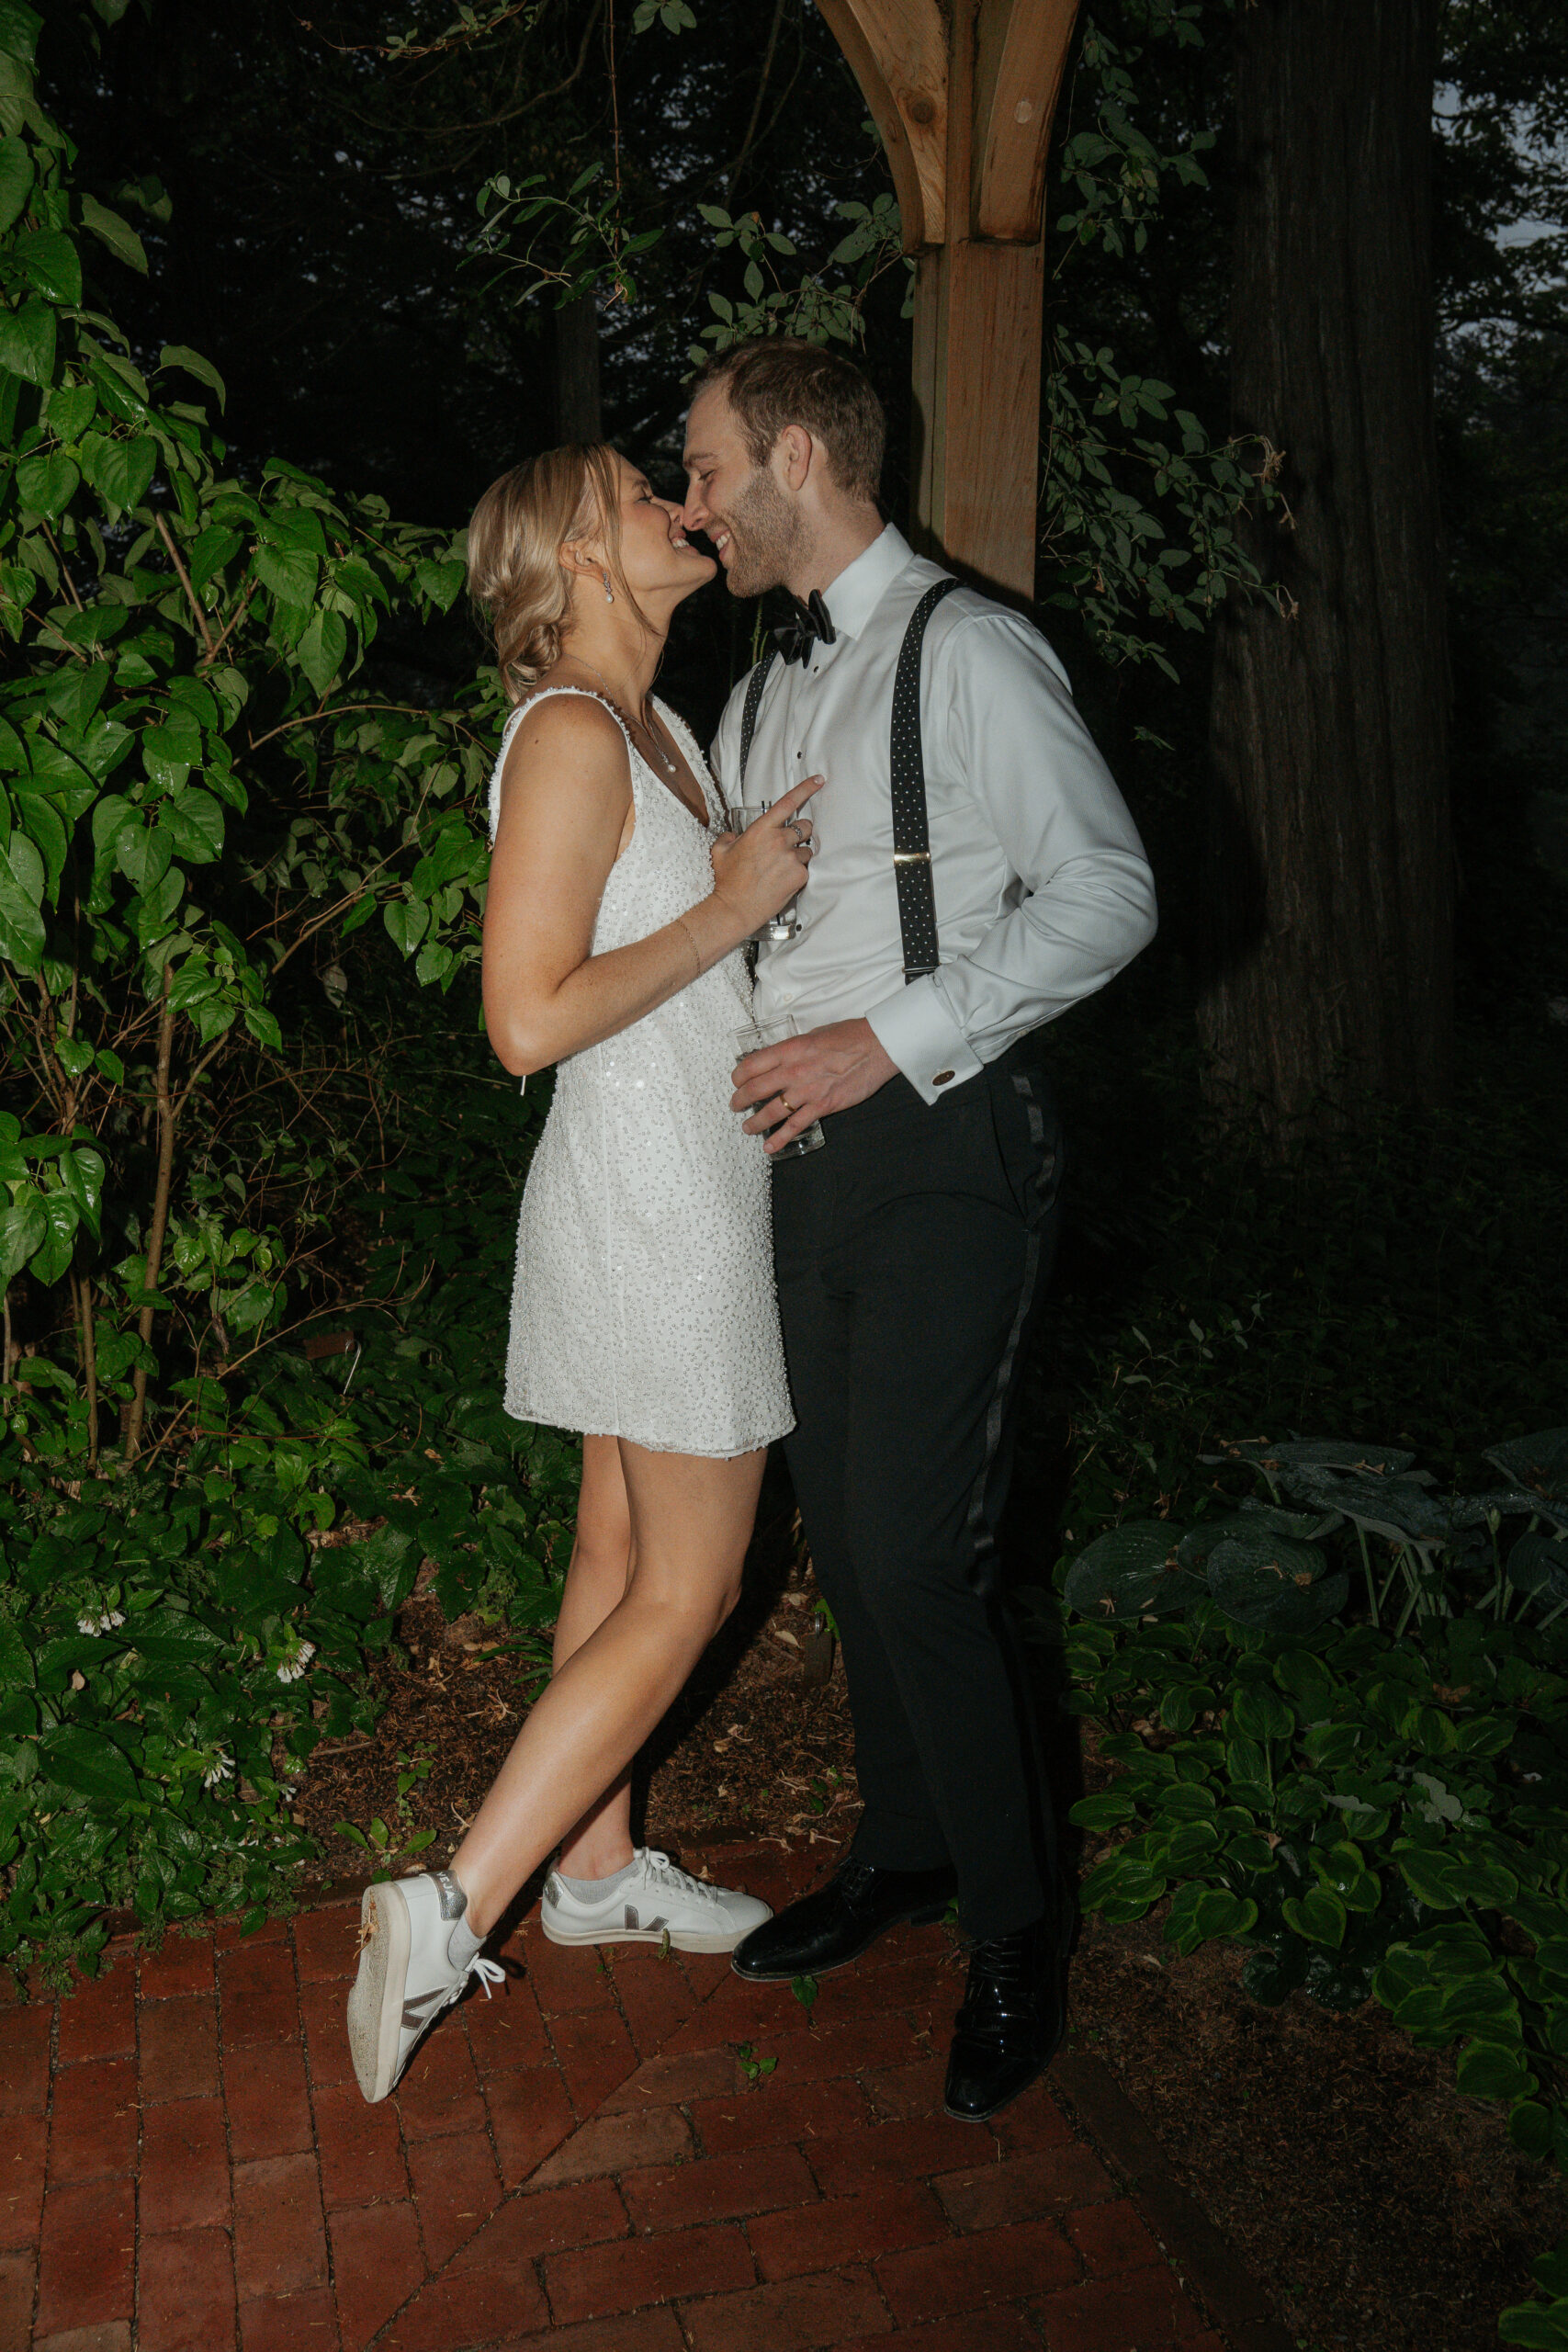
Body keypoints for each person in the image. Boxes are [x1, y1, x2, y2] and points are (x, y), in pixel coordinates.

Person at [681, 338, 1158, 2121]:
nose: (692, 498)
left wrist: (887, 1035)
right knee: (845, 1527)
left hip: (950, 1141)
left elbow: (1110, 888)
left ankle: (1022, 1932)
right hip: (804, 1164)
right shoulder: (751, 692)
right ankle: (903, 1846)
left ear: (800, 451)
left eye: (708, 463)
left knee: (910, 1545)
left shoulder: (965, 647)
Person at [346, 442, 822, 2107]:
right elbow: (524, 1020)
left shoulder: (659, 734)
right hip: (654, 1204)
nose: (674, 505)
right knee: (691, 1587)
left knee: (622, 1550)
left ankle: (601, 1870)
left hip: (679, 1181)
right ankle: (450, 1902)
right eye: (637, 490)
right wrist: (731, 905)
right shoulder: (563, 732)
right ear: (576, 551)